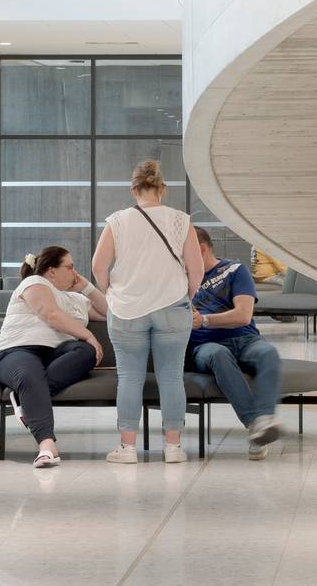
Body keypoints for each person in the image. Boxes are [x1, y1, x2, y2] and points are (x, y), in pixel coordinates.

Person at [93, 159, 201, 464]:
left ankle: (127, 448)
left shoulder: (117, 221)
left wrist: (110, 292)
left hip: (127, 310)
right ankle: (173, 447)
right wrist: (186, 295)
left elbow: (98, 266)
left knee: (128, 378)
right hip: (172, 307)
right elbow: (196, 268)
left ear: (133, 188)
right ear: (162, 188)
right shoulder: (181, 220)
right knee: (171, 377)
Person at [0, 245, 105, 469]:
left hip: (50, 357)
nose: (74, 272)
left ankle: (25, 398)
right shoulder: (34, 284)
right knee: (30, 373)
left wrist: (87, 287)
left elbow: (112, 313)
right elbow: (51, 315)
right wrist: (88, 334)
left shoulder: (75, 299)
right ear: (51, 271)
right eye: (69, 267)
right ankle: (47, 446)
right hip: (15, 351)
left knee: (86, 351)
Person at [188, 227, 284, 458]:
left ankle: (265, 418)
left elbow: (243, 315)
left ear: (200, 250)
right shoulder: (178, 279)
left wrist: (204, 320)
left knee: (268, 354)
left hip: (245, 339)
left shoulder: (234, 270)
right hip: (204, 347)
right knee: (219, 355)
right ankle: (256, 426)